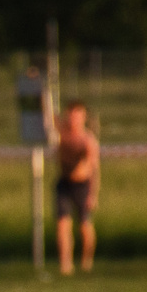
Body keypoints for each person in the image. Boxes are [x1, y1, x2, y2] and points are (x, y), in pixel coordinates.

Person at [56, 100, 100, 275]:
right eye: (71, 114)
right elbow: (48, 115)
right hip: (64, 182)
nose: (73, 118)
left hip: (83, 185)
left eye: (77, 114)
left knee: (84, 226)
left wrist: (93, 194)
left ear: (84, 117)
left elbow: (94, 169)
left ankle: (86, 261)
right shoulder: (62, 134)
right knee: (62, 224)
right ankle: (65, 264)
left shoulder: (87, 140)